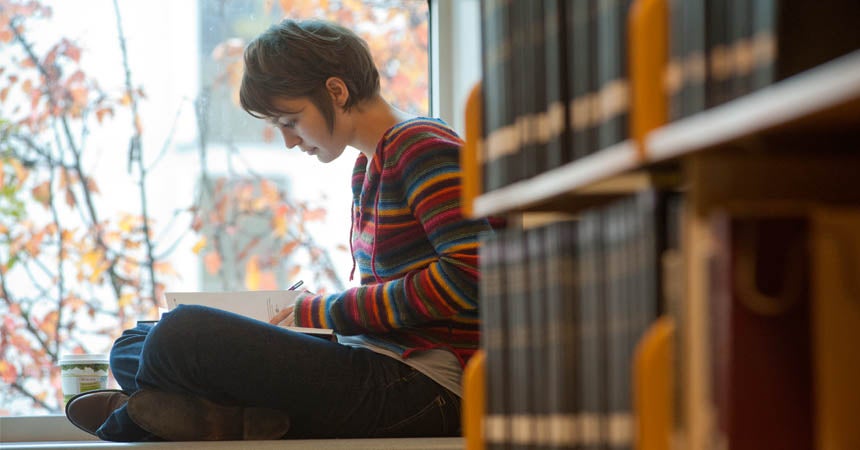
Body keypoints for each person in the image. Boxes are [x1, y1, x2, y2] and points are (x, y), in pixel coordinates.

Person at [64, 18, 496, 442]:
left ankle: (177, 415)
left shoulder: (421, 146)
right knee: (134, 342)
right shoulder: (368, 166)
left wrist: (326, 311)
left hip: (427, 389)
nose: (289, 141)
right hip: (379, 363)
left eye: (289, 121)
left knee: (179, 336)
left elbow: (471, 277)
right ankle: (230, 417)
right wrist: (316, 321)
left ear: (336, 91)